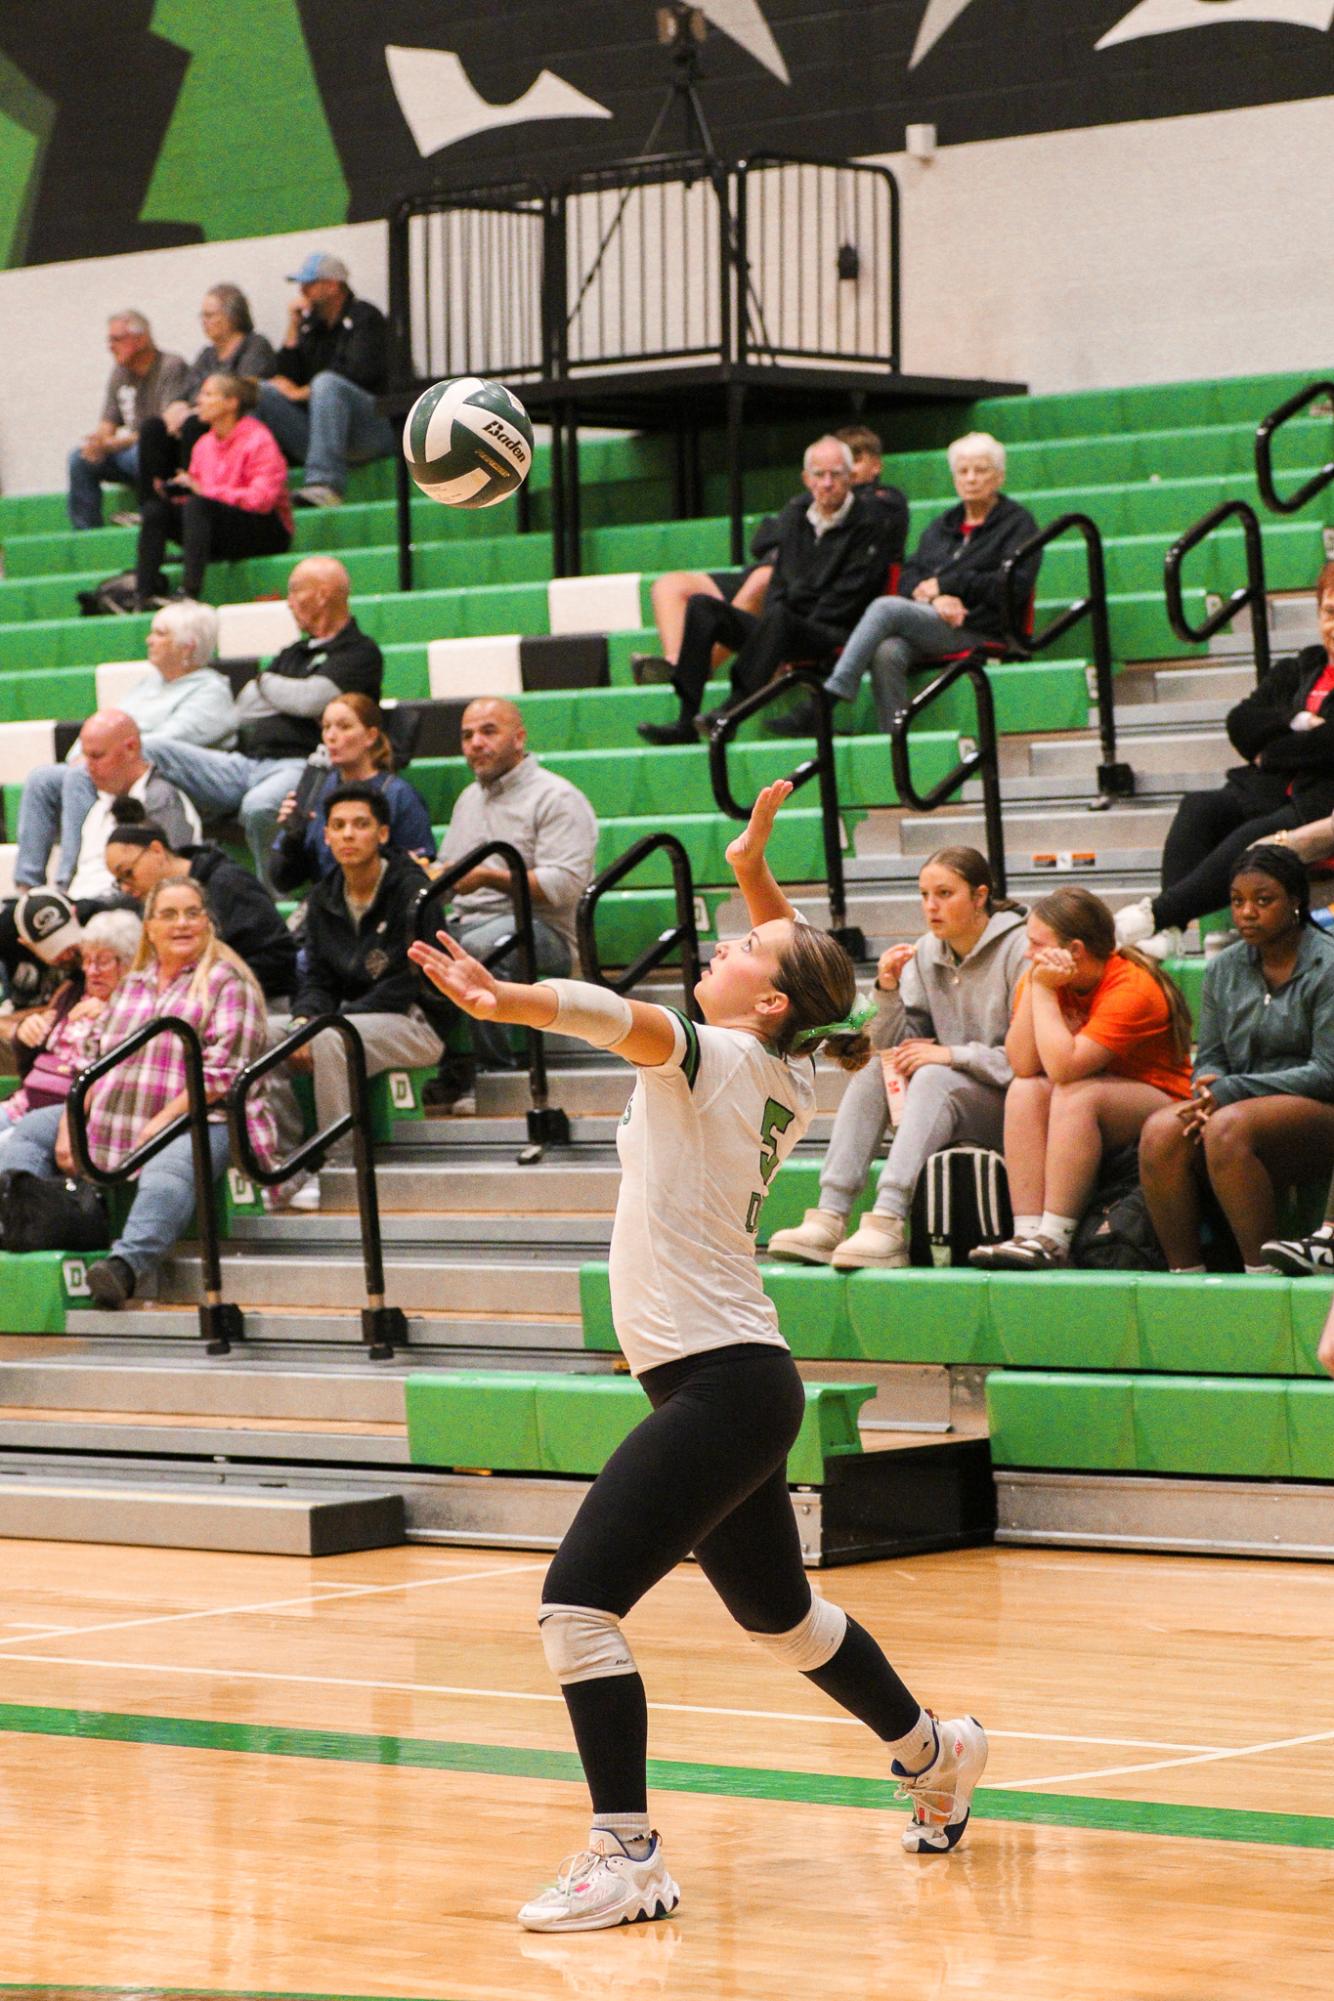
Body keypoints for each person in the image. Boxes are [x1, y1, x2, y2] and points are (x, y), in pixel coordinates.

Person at [408, 780, 987, 1932]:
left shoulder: (713, 1055)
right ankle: (935, 1749)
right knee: (779, 1621)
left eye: (739, 941)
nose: (721, 939)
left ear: (761, 998)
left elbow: (617, 1019)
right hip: (734, 1379)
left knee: (576, 1604)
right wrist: (752, 865)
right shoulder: (788, 1062)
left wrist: (504, 995)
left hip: (721, 1384)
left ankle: (624, 1856)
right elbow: (797, 971)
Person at [1, 875, 277, 1309]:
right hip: (119, 1109)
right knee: (34, 1128)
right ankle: (18, 1226)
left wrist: (163, 1121)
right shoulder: (133, 983)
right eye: (169, 914)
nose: (182, 923)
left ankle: (125, 1266)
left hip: (203, 1116)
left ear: (207, 923)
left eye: (192, 913)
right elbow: (95, 1062)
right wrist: (72, 1123)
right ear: (149, 926)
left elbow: (224, 1073)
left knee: (171, 1164)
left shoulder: (228, 981)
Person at [768, 848, 1027, 1270]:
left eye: (945, 893)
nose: (931, 905)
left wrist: (950, 1055)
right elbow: (892, 1048)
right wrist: (887, 992)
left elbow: (1026, 1060)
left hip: (1012, 1101)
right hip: (948, 1093)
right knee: (876, 1070)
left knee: (931, 1077)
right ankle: (830, 1215)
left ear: (980, 897)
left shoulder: (1020, 949)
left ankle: (888, 1220)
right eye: (924, 894)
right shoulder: (927, 953)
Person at [1116, 562, 1334, 959]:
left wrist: (1271, 751)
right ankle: (1174, 932)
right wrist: (1296, 721)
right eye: (1329, 612)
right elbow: (1241, 722)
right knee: (1200, 806)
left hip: (1319, 804)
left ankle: (1154, 916)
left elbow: (1329, 746)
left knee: (1252, 837)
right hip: (1266, 790)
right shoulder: (1300, 667)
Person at [970, 885, 1193, 1271]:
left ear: (1074, 950)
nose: (1027, 954)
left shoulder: (1132, 986)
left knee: (1076, 1093)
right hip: (1092, 1103)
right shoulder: (1044, 976)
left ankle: (1055, 1238)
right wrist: (1040, 988)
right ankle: (1027, 1233)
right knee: (1025, 1091)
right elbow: (1022, 1065)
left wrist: (1041, 991)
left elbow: (1064, 1069)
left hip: (1165, 1103)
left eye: (1037, 944)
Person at [1136, 846, 1334, 1276]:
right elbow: (1210, 1057)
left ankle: (1261, 1273)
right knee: (1160, 1132)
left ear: (1296, 901)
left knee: (1228, 1126)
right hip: (1238, 1103)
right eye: (1238, 900)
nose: (1246, 912)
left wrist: (1232, 1091)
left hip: (1318, 1111)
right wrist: (1208, 1088)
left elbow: (1327, 1072)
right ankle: (1185, 1276)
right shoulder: (1224, 968)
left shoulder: (1328, 964)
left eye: (1264, 901)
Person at [768, 432, 1040, 737]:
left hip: (979, 624)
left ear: (1000, 477)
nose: (971, 479)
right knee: (887, 650)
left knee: (885, 607)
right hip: (935, 619)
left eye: (981, 470)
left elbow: (1012, 587)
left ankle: (828, 698)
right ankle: (896, 742)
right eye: (963, 471)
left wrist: (948, 585)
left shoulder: (1018, 524)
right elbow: (910, 577)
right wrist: (935, 599)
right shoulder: (943, 525)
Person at [637, 436, 902, 745]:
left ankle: (730, 713)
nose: (827, 483)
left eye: (836, 474)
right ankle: (685, 721)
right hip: (784, 626)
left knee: (780, 618)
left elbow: (851, 594)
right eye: (819, 475)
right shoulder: (794, 515)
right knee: (702, 606)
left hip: (832, 631)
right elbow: (779, 581)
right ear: (806, 479)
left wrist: (789, 616)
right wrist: (776, 623)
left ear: (851, 478)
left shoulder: (870, 521)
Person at [141, 557, 384, 875]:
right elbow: (245, 708)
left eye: (295, 591)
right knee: (149, 749)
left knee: (259, 807)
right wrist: (284, 695)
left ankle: (272, 901)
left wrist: (266, 682)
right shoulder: (293, 653)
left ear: (323, 595)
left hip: (303, 763)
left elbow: (311, 700)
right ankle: (182, 872)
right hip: (246, 764)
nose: (289, 602)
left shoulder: (359, 652)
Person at [430, 697, 598, 1109]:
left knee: (478, 950)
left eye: (489, 731)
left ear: (519, 737)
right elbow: (448, 867)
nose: (475, 743)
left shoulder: (557, 797)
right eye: (468, 735)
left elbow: (565, 884)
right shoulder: (468, 798)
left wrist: (489, 877)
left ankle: (496, 1079)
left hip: (546, 933)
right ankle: (447, 1068)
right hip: (469, 920)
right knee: (413, 943)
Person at [283, 785, 446, 1189]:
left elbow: (408, 982)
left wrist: (326, 1023)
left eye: (360, 824)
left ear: (383, 834)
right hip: (349, 1023)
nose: (348, 834)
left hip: (416, 1022)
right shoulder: (323, 897)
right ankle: (281, 1162)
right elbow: (316, 977)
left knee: (328, 1038)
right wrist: (306, 1016)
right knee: (269, 1035)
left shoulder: (415, 891)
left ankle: (340, 1169)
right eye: (337, 826)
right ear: (325, 836)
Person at [13, 600, 232, 896]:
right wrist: (87, 754)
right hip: (118, 760)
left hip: (162, 778)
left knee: (79, 776)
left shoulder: (211, 691)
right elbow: (102, 727)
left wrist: (106, 753)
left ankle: (66, 885)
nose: (149, 639)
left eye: (160, 633)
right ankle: (27, 889)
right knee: (42, 779)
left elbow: (162, 746)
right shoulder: (148, 685)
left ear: (187, 646)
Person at [104, 809, 297, 1004]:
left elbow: (279, 957)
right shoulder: (148, 901)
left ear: (156, 850)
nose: (126, 888)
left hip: (258, 1002)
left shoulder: (230, 884)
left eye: (128, 873)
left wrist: (207, 984)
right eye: (119, 881)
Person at [134, 374, 293, 605]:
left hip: (266, 529)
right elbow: (199, 494)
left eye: (208, 394)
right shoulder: (204, 445)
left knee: (200, 506)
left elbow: (262, 500)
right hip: (222, 525)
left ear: (231, 402)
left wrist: (205, 491)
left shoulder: (259, 439)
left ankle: (190, 592)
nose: (199, 401)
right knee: (155, 511)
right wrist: (175, 493)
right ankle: (144, 594)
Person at [13, 710, 200, 905]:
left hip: (123, 914)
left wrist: (90, 909)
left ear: (131, 748)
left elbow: (169, 883)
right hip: (83, 908)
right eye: (85, 757)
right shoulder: (100, 804)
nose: (88, 767)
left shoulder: (163, 801)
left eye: (97, 756)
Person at [253, 251, 394, 508]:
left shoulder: (365, 317)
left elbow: (361, 372)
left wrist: (303, 392)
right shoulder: (312, 326)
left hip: (371, 429)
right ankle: (258, 488)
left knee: (327, 383)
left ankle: (325, 485)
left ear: (332, 285)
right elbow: (285, 378)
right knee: (260, 392)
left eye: (310, 284)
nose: (302, 290)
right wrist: (294, 326)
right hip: (325, 434)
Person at [269, 693, 434, 893]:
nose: (331, 736)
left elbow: (421, 874)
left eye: (344, 727)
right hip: (327, 907)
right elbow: (282, 881)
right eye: (326, 727)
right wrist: (292, 837)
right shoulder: (315, 789)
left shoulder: (399, 795)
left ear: (370, 736)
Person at [0, 910, 141, 1132]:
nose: (91, 971)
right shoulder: (72, 992)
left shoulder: (135, 1010)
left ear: (129, 963)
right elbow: (30, 1059)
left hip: (67, 1118)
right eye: (86, 959)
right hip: (23, 1104)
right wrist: (23, 1034)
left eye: (102, 961)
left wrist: (112, 1015)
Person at [135, 284, 276, 504]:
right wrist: (176, 407)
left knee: (193, 422)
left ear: (232, 317)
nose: (204, 321)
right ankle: (151, 505)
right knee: (153, 428)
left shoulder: (255, 345)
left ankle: (194, 498)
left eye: (209, 315)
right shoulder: (206, 355)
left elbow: (244, 391)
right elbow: (187, 393)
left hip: (233, 431)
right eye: (202, 315)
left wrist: (192, 409)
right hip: (203, 420)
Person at [67, 311, 190, 530]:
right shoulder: (119, 373)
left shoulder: (171, 366)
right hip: (130, 452)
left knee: (142, 453)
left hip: (165, 453)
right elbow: (108, 423)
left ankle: (151, 521)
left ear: (141, 339)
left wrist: (113, 444)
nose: (110, 346)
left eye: (116, 339)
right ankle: (85, 532)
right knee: (79, 458)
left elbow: (164, 429)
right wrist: (98, 442)